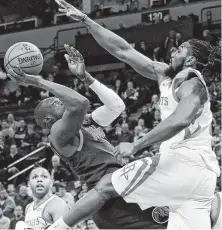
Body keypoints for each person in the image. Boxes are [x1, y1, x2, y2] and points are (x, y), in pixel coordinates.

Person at [47, 1, 221, 229]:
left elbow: (182, 119)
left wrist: (137, 145)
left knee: (107, 185)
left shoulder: (191, 82)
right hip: (201, 181)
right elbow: (123, 51)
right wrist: (85, 20)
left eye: (179, 50)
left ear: (189, 60)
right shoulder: (166, 74)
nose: (173, 51)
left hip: (184, 164)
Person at [8, 45, 168, 229]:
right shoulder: (58, 135)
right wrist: (39, 82)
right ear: (47, 119)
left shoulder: (85, 121)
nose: (61, 99)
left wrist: (86, 77)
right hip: (110, 201)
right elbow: (80, 102)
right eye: (55, 101)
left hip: (121, 187)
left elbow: (117, 106)